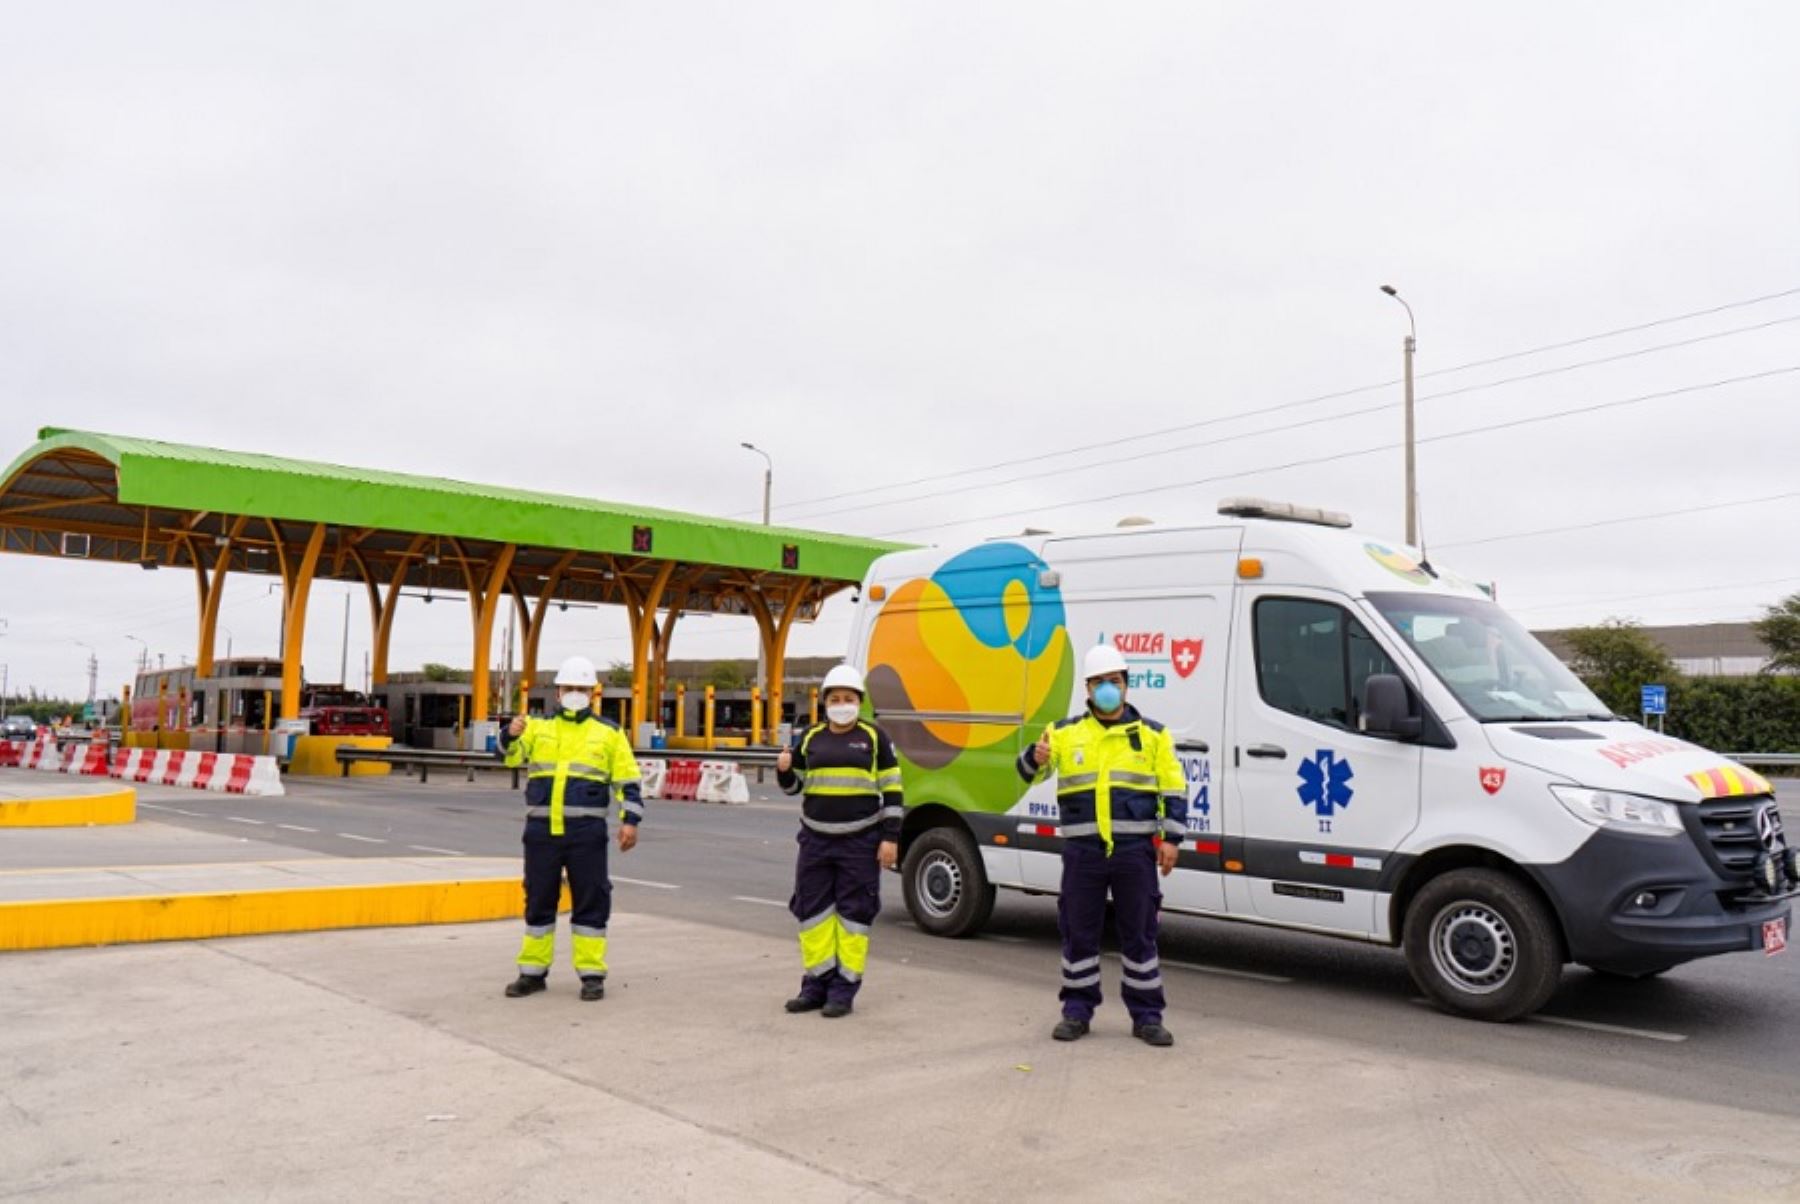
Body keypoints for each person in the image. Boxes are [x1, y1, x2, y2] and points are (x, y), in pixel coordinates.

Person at [1016, 644, 1188, 1046]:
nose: (1107, 689)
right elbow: (1027, 774)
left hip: (1135, 854)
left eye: (1114, 681)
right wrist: (1034, 755)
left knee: (1140, 935)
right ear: (1087, 690)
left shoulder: (1153, 737)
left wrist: (1173, 841)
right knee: (1078, 933)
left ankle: (1147, 1016)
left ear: (1126, 686)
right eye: (1099, 683)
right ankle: (1077, 1011)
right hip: (1083, 855)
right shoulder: (1063, 733)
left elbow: (1174, 788)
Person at [496, 655, 644, 1001]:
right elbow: (509, 757)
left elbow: (628, 780)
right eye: (569, 688)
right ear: (557, 692)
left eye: (581, 688)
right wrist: (509, 734)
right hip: (542, 833)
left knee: (591, 901)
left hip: (586, 834)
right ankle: (532, 973)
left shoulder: (609, 733)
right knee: (538, 901)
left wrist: (630, 821)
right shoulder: (537, 727)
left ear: (592, 693)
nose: (574, 693)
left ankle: (592, 975)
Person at [775, 664, 902, 1018]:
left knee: (853, 916)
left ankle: (843, 991)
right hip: (815, 841)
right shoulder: (812, 738)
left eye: (848, 698)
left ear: (858, 702)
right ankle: (815, 985)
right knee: (811, 914)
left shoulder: (875, 738)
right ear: (825, 702)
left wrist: (890, 838)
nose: (842, 704)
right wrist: (784, 769)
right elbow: (794, 787)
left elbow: (892, 790)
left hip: (860, 843)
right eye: (835, 698)